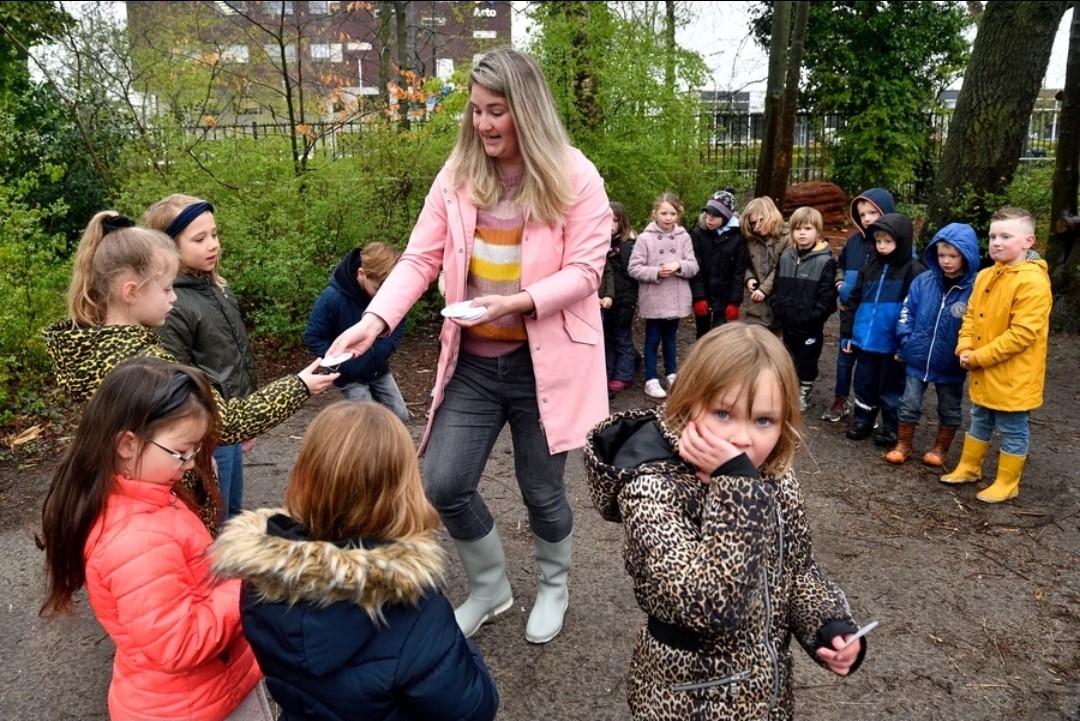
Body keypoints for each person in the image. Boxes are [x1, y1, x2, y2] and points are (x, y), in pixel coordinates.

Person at [324, 47, 611, 645]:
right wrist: (374, 322)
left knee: (541, 489)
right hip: (475, 366)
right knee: (443, 483)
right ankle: (490, 589)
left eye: (496, 111)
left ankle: (553, 585)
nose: (483, 125)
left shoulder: (575, 175)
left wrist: (518, 301)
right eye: (477, 111)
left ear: (527, 111)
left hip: (544, 366)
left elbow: (586, 271)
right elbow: (420, 258)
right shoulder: (458, 176)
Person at [582, 323, 868, 720]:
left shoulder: (772, 477)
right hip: (688, 699)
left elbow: (797, 570)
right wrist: (735, 488)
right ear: (688, 404)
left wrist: (829, 626)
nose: (742, 439)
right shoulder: (651, 489)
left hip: (765, 694)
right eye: (723, 413)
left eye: (763, 420)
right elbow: (709, 604)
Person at [41, 212, 337, 531]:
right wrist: (300, 386)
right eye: (167, 288)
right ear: (131, 292)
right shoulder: (147, 366)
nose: (174, 297)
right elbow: (225, 423)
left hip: (126, 502)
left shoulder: (88, 348)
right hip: (167, 508)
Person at [210, 401, 499, 721]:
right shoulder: (414, 611)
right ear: (401, 491)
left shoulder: (261, 579)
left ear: (306, 475)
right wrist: (459, 645)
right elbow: (474, 709)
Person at [37, 357, 269, 721]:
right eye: (182, 451)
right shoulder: (135, 539)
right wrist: (247, 581)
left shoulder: (147, 495)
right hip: (192, 707)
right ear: (127, 445)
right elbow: (179, 643)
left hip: (204, 692)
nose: (191, 463)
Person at [143, 194, 257, 519]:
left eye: (215, 234)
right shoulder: (173, 304)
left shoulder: (217, 288)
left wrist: (246, 413)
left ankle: (231, 565)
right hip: (205, 431)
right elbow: (175, 375)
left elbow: (233, 356)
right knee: (213, 514)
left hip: (230, 421)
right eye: (199, 238)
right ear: (169, 246)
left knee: (232, 509)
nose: (213, 245)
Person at [941, 207, 1052, 502]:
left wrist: (977, 357)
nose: (997, 242)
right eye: (992, 236)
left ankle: (1007, 482)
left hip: (1014, 376)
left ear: (1028, 241)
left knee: (1013, 428)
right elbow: (970, 318)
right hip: (983, 369)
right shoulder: (985, 276)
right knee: (979, 418)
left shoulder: (1033, 281)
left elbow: (1022, 335)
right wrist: (964, 347)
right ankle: (969, 467)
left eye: (1006, 236)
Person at [886, 222, 980, 466]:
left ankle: (940, 448)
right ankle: (903, 444)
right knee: (909, 402)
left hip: (951, 362)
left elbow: (979, 324)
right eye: (941, 255)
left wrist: (967, 352)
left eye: (953, 255)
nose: (946, 261)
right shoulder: (923, 282)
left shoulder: (975, 289)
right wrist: (906, 342)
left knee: (949, 407)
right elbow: (907, 312)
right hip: (917, 356)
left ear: (966, 255)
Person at [840, 212, 926, 446]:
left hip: (893, 344)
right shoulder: (870, 267)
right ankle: (862, 420)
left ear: (902, 241)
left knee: (891, 387)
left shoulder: (914, 271)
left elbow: (918, 312)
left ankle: (891, 427)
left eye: (888, 241)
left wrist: (906, 344)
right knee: (864, 382)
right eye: (878, 241)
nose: (882, 246)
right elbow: (853, 300)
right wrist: (847, 334)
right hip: (865, 340)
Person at [304, 242, 409, 423]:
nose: (381, 295)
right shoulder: (332, 297)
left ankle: (394, 451)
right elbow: (313, 336)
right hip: (350, 377)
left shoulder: (388, 294)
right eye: (377, 289)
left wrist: (385, 349)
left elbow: (399, 318)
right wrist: (344, 363)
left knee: (400, 417)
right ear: (361, 273)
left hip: (379, 370)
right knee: (368, 424)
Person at [823, 188, 896, 422]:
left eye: (872, 213)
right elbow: (840, 264)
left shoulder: (893, 244)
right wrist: (839, 283)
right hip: (849, 311)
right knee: (845, 360)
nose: (866, 218)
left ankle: (869, 409)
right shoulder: (854, 241)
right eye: (862, 214)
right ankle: (840, 400)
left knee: (871, 367)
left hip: (875, 317)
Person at [627, 192, 699, 400]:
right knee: (652, 339)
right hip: (654, 297)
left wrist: (679, 265)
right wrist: (656, 272)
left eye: (672, 213)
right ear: (655, 213)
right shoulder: (644, 238)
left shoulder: (683, 237)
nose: (668, 217)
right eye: (664, 213)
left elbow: (693, 265)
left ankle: (671, 374)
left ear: (678, 214)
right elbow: (634, 268)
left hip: (676, 298)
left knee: (670, 338)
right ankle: (651, 378)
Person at [770, 206, 838, 413]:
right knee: (788, 357)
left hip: (810, 325)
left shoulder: (825, 261)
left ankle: (804, 392)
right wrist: (778, 306)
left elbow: (827, 299)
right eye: (797, 228)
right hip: (788, 321)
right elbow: (777, 286)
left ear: (818, 232)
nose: (802, 233)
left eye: (807, 228)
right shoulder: (786, 257)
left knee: (807, 360)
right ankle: (789, 390)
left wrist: (813, 316)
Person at [689, 189, 747, 339]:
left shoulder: (737, 237)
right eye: (708, 214)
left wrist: (735, 301)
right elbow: (696, 267)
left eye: (715, 216)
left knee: (719, 336)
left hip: (724, 295)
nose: (709, 219)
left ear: (726, 217)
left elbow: (738, 272)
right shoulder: (698, 234)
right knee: (702, 335)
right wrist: (698, 297)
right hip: (704, 292)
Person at [738, 195, 790, 334]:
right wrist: (748, 278)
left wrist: (764, 289)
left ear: (771, 216)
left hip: (780, 299)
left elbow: (782, 267)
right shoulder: (750, 239)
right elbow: (743, 263)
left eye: (761, 221)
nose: (757, 227)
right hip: (757, 305)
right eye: (753, 223)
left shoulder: (788, 237)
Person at [603, 201, 640, 393]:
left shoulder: (627, 246)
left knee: (622, 338)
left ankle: (624, 374)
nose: (610, 224)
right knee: (608, 338)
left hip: (623, 301)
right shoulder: (601, 243)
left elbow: (630, 278)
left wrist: (628, 304)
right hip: (606, 301)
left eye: (614, 220)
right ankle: (608, 372)